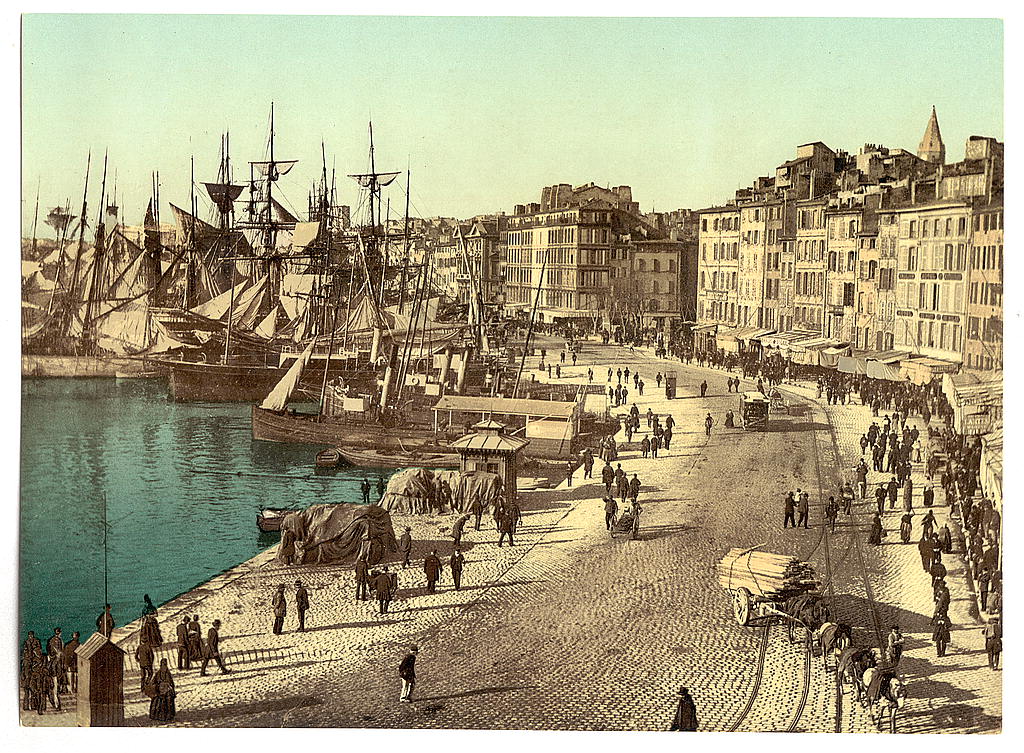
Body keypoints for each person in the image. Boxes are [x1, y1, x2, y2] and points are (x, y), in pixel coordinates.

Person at [149, 658, 176, 722]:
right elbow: (153, 682)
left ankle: (168, 716)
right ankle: (158, 716)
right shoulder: (158, 673)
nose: (164, 666)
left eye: (165, 664)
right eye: (163, 664)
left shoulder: (167, 673)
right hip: (160, 691)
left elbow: (171, 682)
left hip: (167, 691)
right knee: (159, 701)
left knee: (168, 701)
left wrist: (170, 688)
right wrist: (157, 687)